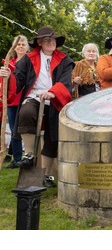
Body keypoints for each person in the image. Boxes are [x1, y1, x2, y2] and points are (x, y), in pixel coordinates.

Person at [0, 26, 74, 187]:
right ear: (39, 43)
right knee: (26, 113)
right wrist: (8, 76)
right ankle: (30, 154)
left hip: (55, 98)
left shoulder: (65, 60)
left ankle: (47, 175)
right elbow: (18, 80)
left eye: (53, 39)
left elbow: (66, 82)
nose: (51, 42)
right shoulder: (29, 58)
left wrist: (53, 92)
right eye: (47, 40)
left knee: (52, 136)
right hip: (34, 96)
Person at [2, 35, 29, 169]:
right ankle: (16, 158)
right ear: (14, 47)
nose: (20, 46)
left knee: (22, 129)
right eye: (18, 44)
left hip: (25, 100)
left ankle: (21, 156)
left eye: (23, 44)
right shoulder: (9, 62)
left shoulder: (30, 62)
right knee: (14, 129)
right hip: (12, 101)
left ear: (27, 47)